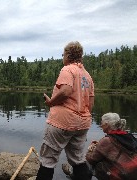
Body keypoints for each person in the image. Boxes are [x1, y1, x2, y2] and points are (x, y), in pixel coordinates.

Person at [36, 41, 94, 180]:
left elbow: (66, 91)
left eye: (63, 54)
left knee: (48, 161)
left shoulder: (67, 69)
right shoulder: (87, 76)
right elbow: (90, 104)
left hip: (62, 123)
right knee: (78, 159)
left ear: (68, 55)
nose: (63, 57)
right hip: (82, 124)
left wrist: (50, 102)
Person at [86, 112, 137, 180]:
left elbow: (91, 159)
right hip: (133, 172)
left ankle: (76, 175)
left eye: (102, 123)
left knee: (89, 163)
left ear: (107, 125)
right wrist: (99, 145)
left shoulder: (106, 140)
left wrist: (90, 150)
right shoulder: (127, 135)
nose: (101, 125)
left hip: (122, 175)